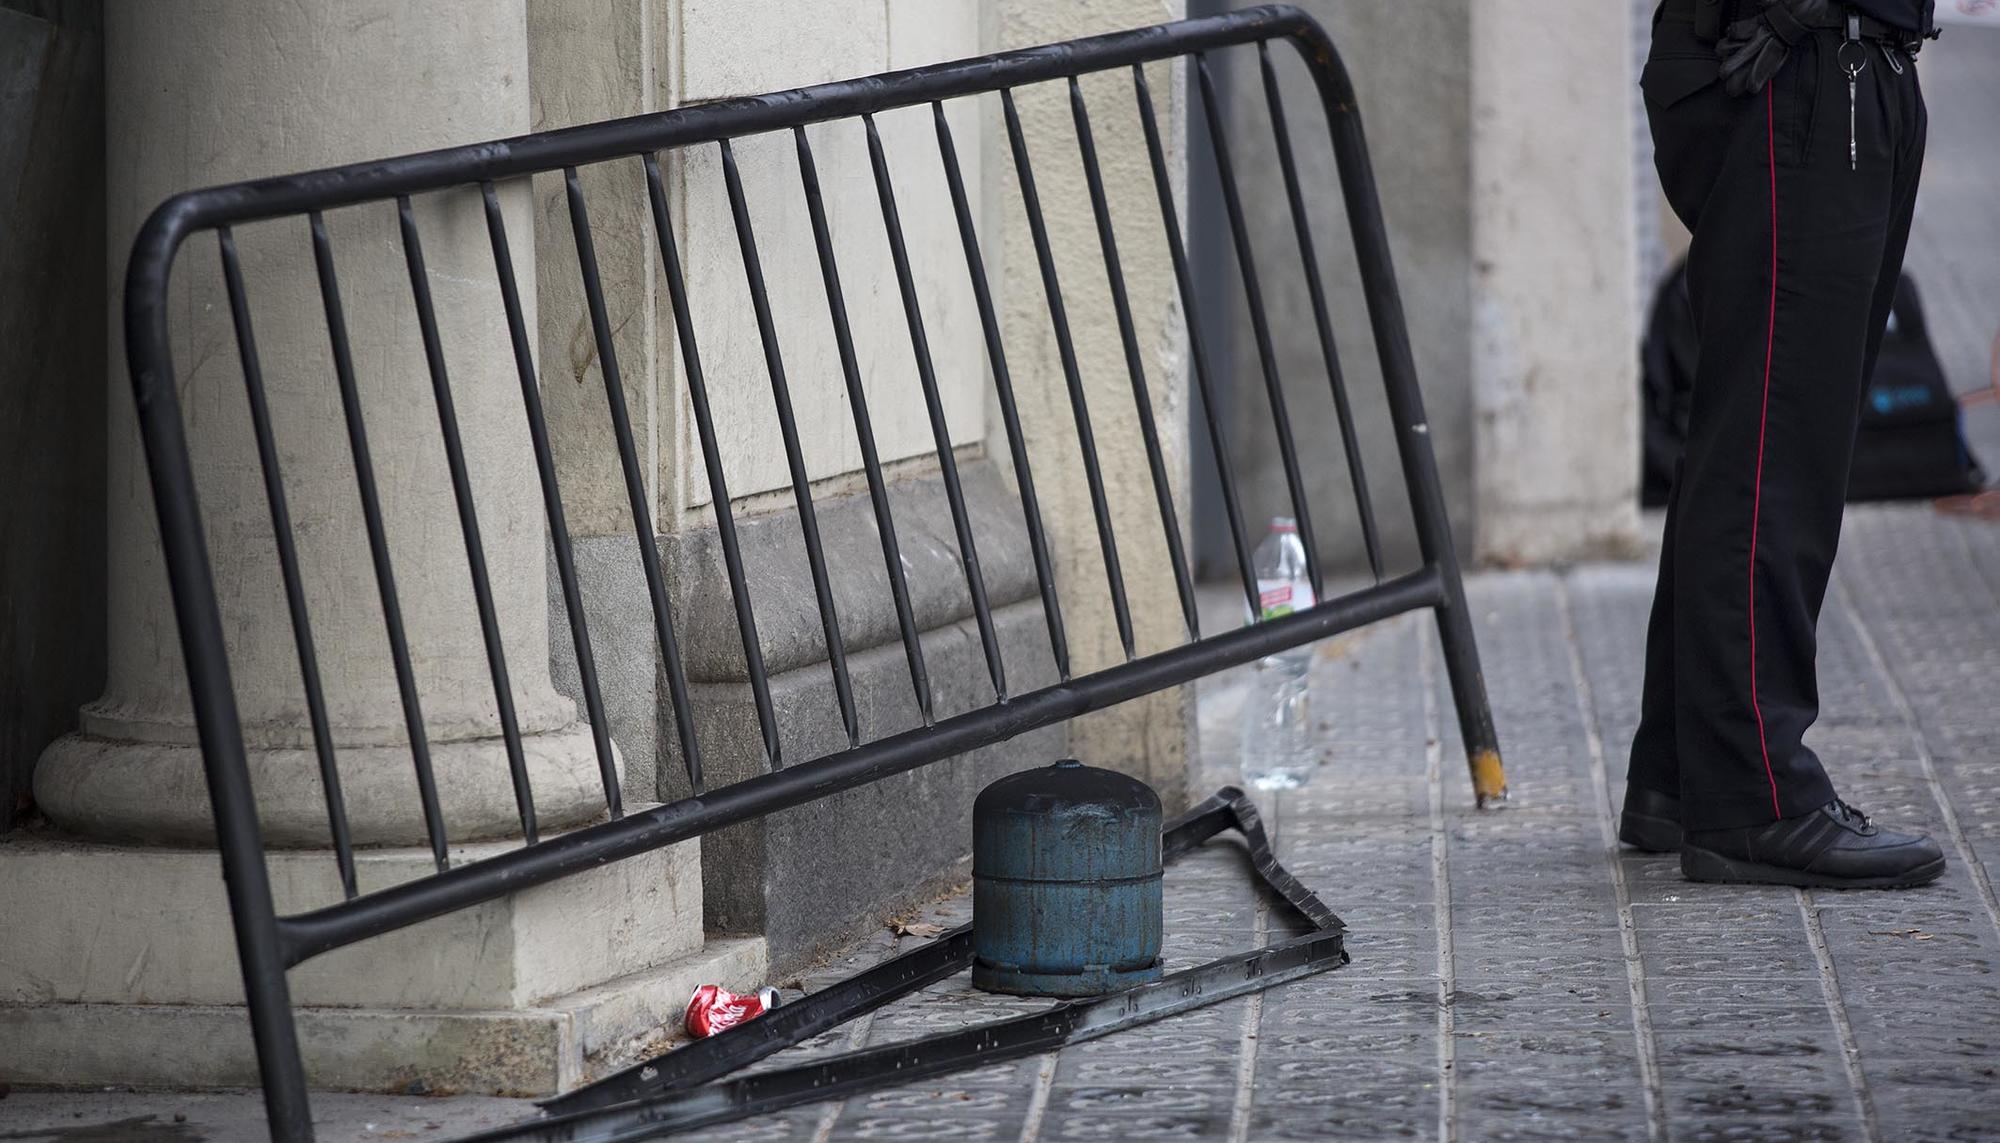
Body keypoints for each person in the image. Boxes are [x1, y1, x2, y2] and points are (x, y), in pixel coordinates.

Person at [1620, 0, 1947, 887]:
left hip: (1845, 62)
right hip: (1794, 65)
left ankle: (1683, 777)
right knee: (1774, 453)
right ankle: (1752, 799)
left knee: (1762, 435)